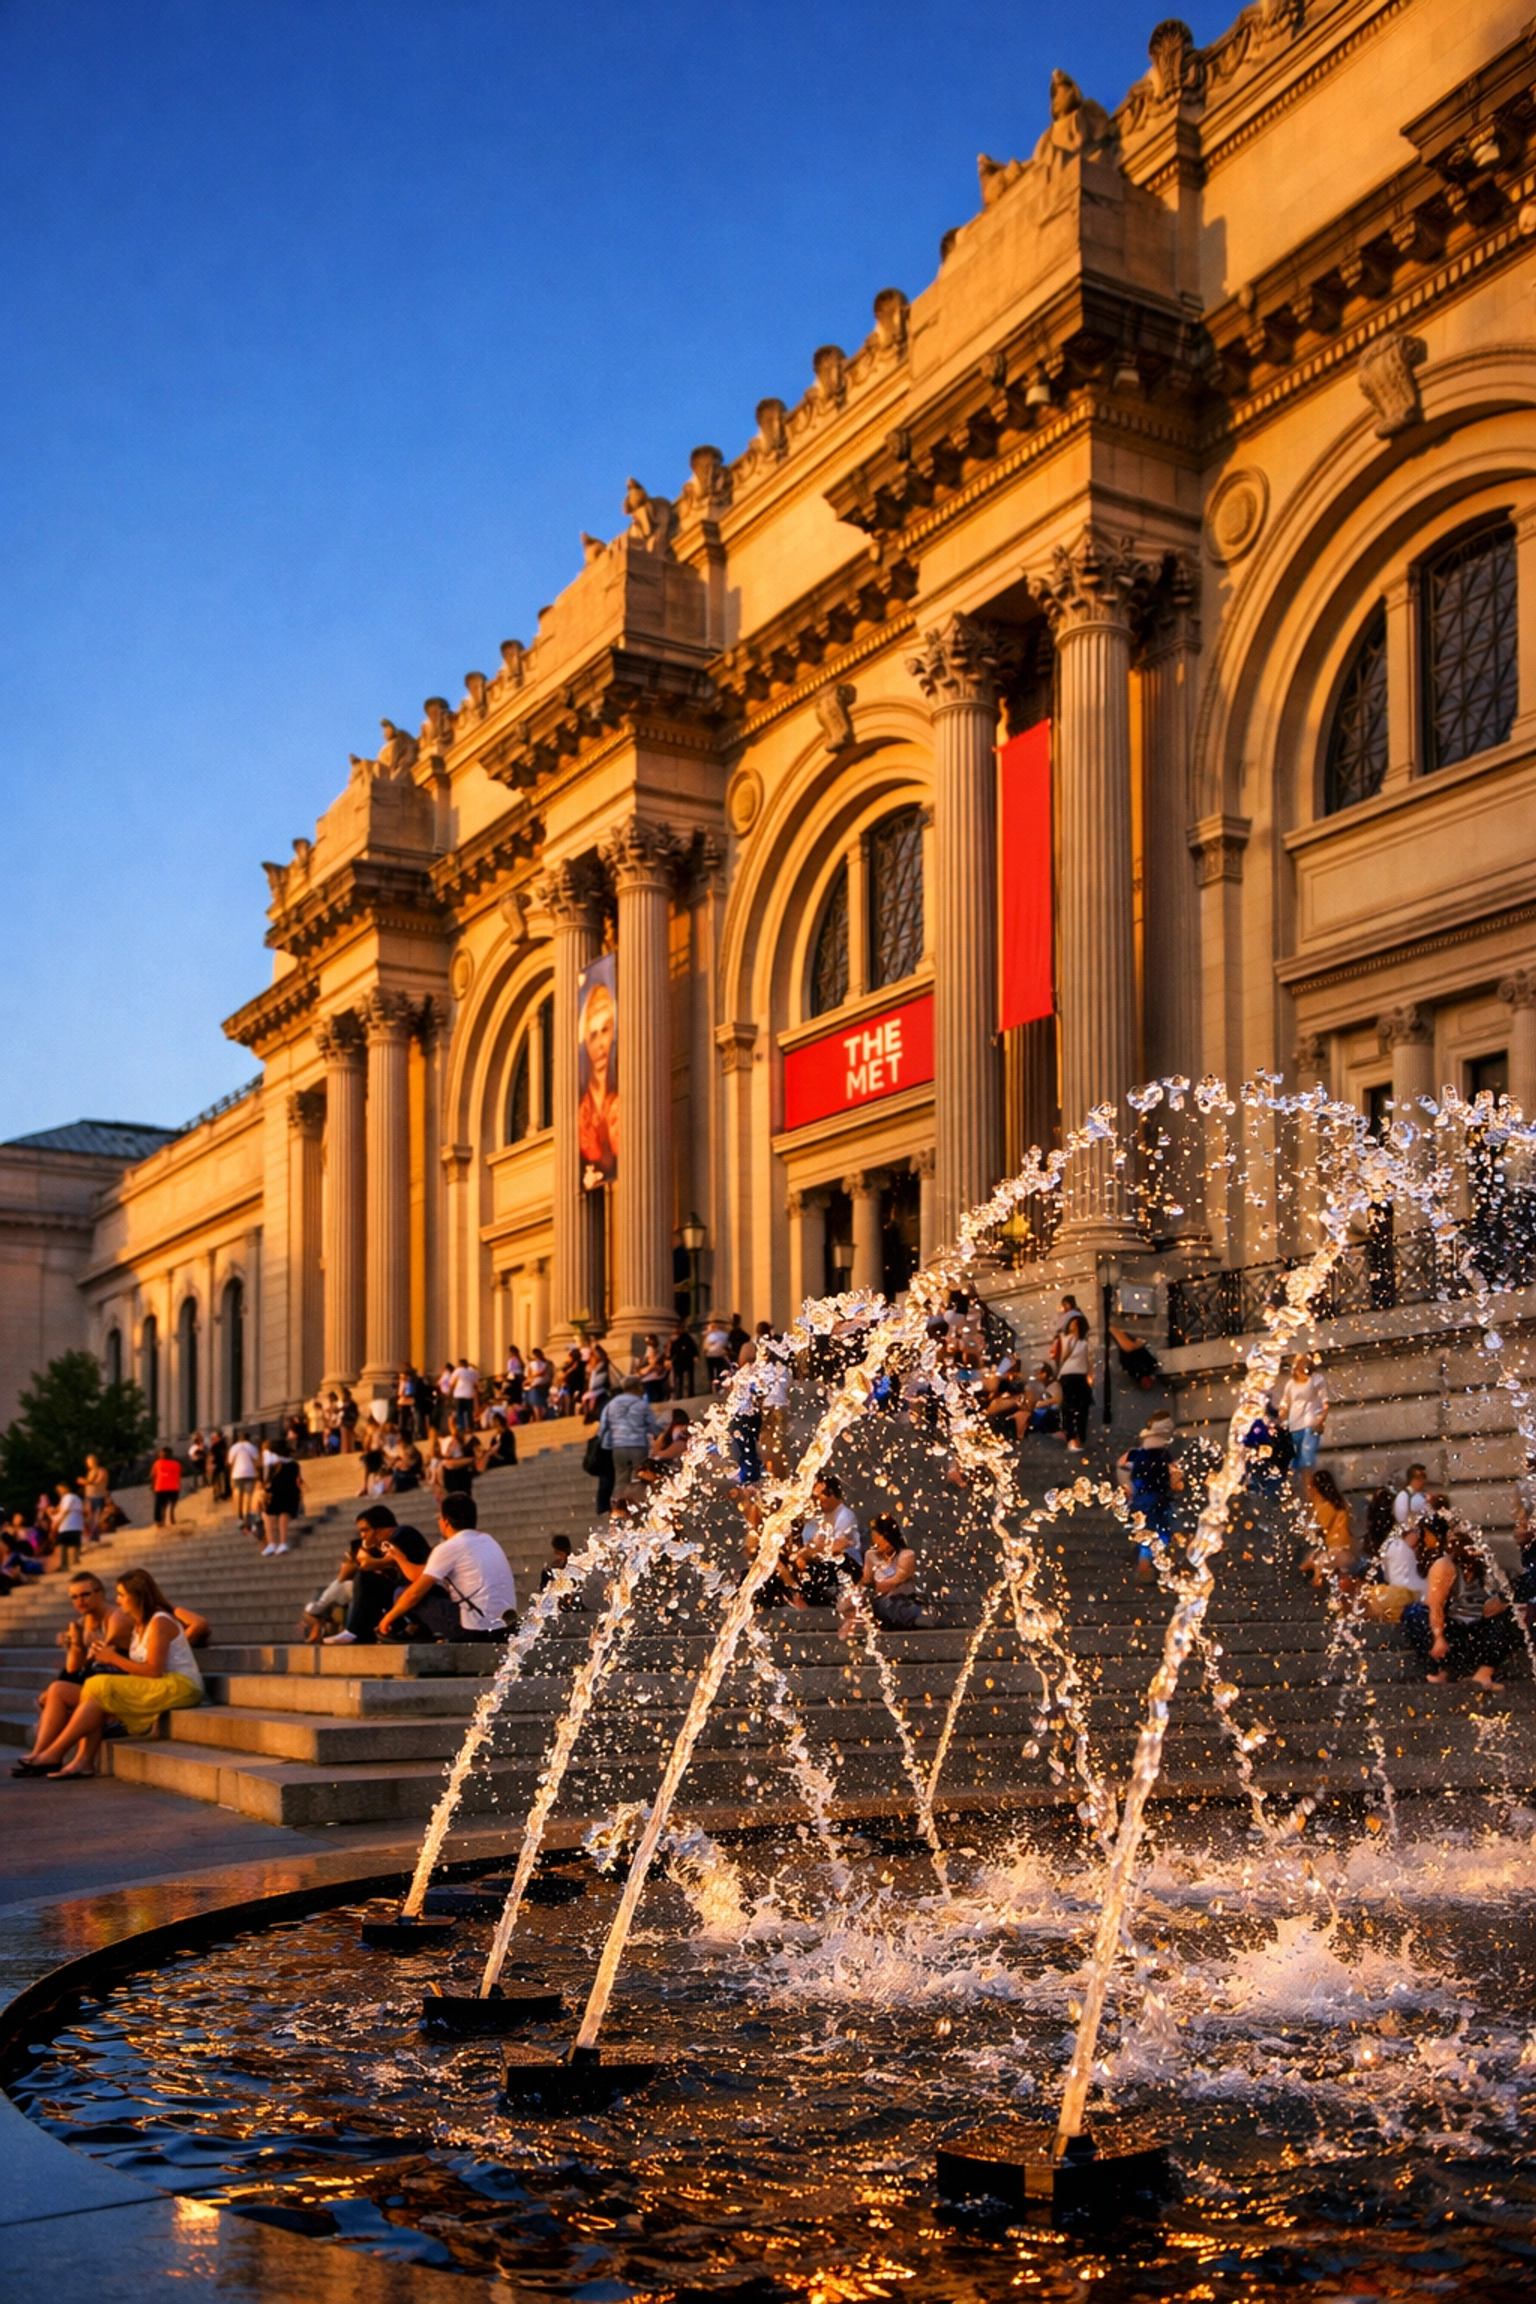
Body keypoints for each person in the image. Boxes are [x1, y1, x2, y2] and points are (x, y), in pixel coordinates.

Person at [15, 1568, 204, 1777]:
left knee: (99, 1685)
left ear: (137, 1595)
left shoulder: (159, 1620)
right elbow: (74, 1669)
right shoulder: (138, 1624)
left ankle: (55, 1754)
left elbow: (153, 1671)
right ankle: (79, 1761)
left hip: (182, 1686)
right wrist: (79, 1646)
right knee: (69, 1689)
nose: (118, 1600)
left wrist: (112, 1658)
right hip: (157, 1683)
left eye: (122, 1595)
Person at [13, 1571, 136, 1770]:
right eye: (74, 1597)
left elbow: (99, 1660)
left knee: (57, 1690)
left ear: (100, 1593)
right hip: (99, 1686)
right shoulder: (81, 1624)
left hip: (120, 1689)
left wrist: (79, 1644)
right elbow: (72, 1669)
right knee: (55, 1691)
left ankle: (45, 1755)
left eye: (85, 1594)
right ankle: (40, 1755)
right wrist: (75, 1646)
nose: (80, 1601)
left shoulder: (117, 1617)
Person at [376, 1492, 517, 1644]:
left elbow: (414, 1593)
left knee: (401, 1593)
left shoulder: (450, 1547)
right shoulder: (488, 1540)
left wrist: (387, 1619)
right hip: (502, 1627)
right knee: (437, 1591)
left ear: (446, 1522)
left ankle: (419, 1632)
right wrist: (400, 1558)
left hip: (475, 1629)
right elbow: (419, 1574)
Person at [1402, 1517, 1512, 1689]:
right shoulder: (1444, 1565)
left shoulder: (1484, 1564)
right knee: (1414, 1612)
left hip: (1477, 1632)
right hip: (1452, 1633)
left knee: (1512, 1615)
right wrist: (1438, 1637)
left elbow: (1498, 1598)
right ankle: (1443, 1671)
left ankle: (1483, 1674)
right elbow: (1435, 1605)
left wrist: (1498, 1606)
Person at [838, 1513, 929, 1636]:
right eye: (876, 1541)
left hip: (901, 1600)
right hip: (880, 1602)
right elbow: (865, 1581)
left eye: (883, 1540)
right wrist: (852, 1594)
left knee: (888, 1605)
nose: (880, 1545)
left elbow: (895, 1581)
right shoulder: (871, 1555)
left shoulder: (906, 1555)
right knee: (860, 1603)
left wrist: (876, 1586)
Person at [1119, 1416, 1184, 1582]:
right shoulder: (1162, 1456)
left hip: (1145, 1500)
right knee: (1159, 1534)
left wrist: (1129, 1489)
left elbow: (1125, 1468)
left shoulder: (1140, 1455)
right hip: (1157, 1501)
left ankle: (1146, 1569)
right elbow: (1173, 1478)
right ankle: (1149, 1570)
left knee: (1149, 1535)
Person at [792, 1475, 862, 1605]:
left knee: (815, 1571)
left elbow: (836, 1547)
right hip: (819, 1561)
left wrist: (812, 1552)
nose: (817, 1500)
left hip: (846, 1565)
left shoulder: (845, 1516)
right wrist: (802, 1555)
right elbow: (812, 1545)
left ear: (831, 1495)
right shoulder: (818, 1517)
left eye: (820, 1496)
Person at [599, 1376, 662, 1505]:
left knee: (621, 1478)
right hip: (638, 1446)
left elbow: (603, 1427)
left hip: (618, 1448)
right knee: (639, 1478)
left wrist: (607, 1445)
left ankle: (619, 1508)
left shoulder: (612, 1404)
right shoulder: (641, 1404)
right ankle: (638, 1506)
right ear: (637, 1387)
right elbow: (652, 1426)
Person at [1300, 1467, 1360, 1589]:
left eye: (1313, 1486)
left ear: (1317, 1488)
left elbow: (1318, 1526)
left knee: (1311, 1568)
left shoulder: (1325, 1507)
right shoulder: (1340, 1502)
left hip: (1336, 1552)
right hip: (1347, 1550)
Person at [1276, 1353, 1329, 1481]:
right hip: (1294, 1426)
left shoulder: (1316, 1380)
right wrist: (1281, 1415)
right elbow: (1285, 1402)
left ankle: (1310, 1494)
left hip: (1310, 1424)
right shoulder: (1291, 1384)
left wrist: (1321, 1419)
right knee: (1294, 1463)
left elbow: (1325, 1402)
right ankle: (1299, 1493)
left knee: (1307, 1462)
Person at [1052, 1302, 1092, 1453]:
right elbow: (1062, 1357)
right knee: (1069, 1406)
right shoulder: (1065, 1339)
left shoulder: (1084, 1342)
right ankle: (1071, 1438)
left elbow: (1087, 1360)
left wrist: (1090, 1374)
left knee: (1082, 1407)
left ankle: (1080, 1437)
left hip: (1080, 1376)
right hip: (1068, 1375)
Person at [301, 1542, 359, 1642]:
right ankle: (318, 1628)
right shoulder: (345, 1584)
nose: (342, 1563)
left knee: (319, 1605)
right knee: (323, 1599)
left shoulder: (347, 1584)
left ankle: (317, 1628)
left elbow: (317, 1607)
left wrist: (341, 1577)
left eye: (347, 1560)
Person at [259, 1441, 303, 1556]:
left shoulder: (275, 1463)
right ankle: (278, 1543)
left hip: (280, 1491)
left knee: (274, 1517)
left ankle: (275, 1543)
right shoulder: (293, 1464)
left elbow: (266, 1478)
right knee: (277, 1516)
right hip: (286, 1492)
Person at [1108, 1322, 1162, 1390]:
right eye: (1148, 1383)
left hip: (1124, 1346)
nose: (1146, 1381)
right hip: (1135, 1338)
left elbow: (1124, 1360)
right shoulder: (1151, 1366)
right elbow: (1147, 1352)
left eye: (1145, 1384)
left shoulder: (1132, 1373)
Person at [229, 1430, 261, 1530]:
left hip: (236, 1474)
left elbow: (230, 1461)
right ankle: (246, 1517)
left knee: (237, 1495)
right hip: (250, 1473)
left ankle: (239, 1518)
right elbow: (257, 1460)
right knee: (247, 1496)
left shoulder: (234, 1447)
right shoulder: (252, 1447)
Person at [50, 1483, 86, 1572]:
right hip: (75, 1524)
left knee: (64, 1545)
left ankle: (64, 1564)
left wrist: (57, 1522)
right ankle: (74, 1561)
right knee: (74, 1543)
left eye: (61, 1489)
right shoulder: (74, 1498)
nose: (59, 1492)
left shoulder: (68, 1497)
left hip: (68, 1524)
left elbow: (65, 1510)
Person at [81, 1453, 112, 1541]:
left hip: (98, 1496)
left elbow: (98, 1481)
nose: (88, 1464)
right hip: (89, 1497)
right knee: (90, 1517)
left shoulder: (101, 1470)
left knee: (96, 1516)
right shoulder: (90, 1472)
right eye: (87, 1462)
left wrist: (85, 1482)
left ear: (94, 1461)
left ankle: (94, 1535)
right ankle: (93, 1535)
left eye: (89, 1462)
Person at [150, 1444, 182, 1526]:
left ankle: (160, 1522)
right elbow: (178, 1477)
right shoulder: (176, 1464)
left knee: (160, 1506)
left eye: (160, 1453)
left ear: (162, 1454)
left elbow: (153, 1475)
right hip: (174, 1488)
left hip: (161, 1487)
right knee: (171, 1505)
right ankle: (172, 1521)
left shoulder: (157, 1463)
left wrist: (152, 1486)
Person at [1394, 1463, 1431, 1532]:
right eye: (1422, 1478)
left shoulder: (1421, 1495)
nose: (1424, 1482)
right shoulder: (1403, 1496)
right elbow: (1402, 1520)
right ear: (1414, 1479)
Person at [447, 1358, 480, 1435]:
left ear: (459, 1364)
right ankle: (471, 1427)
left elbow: (451, 1383)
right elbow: (476, 1383)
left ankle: (461, 1428)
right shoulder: (472, 1372)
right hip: (469, 1395)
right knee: (469, 1412)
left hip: (459, 1395)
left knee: (460, 1412)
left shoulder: (458, 1371)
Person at [668, 1319, 698, 1401]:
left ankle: (691, 1393)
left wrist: (695, 1355)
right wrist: (669, 1358)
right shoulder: (674, 1339)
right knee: (678, 1379)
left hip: (687, 1360)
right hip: (678, 1361)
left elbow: (692, 1346)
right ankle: (679, 1394)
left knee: (690, 1378)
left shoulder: (687, 1337)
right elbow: (671, 1350)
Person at [635, 1333, 670, 1404]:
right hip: (650, 1377)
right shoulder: (650, 1350)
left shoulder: (655, 1349)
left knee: (657, 1396)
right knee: (654, 1397)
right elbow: (652, 1363)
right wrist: (658, 1367)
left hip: (653, 1376)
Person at [703, 1315, 732, 1390]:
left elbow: (706, 1347)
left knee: (716, 1373)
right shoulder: (712, 1335)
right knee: (716, 1373)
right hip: (714, 1356)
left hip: (716, 1356)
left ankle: (716, 1387)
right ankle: (716, 1387)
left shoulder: (720, 1334)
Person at [525, 1347, 552, 1420]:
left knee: (539, 1404)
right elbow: (529, 1375)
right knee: (536, 1404)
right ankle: (538, 1418)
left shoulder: (545, 1363)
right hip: (537, 1385)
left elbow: (542, 1373)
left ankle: (539, 1418)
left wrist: (533, 1375)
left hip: (541, 1385)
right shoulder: (534, 1364)